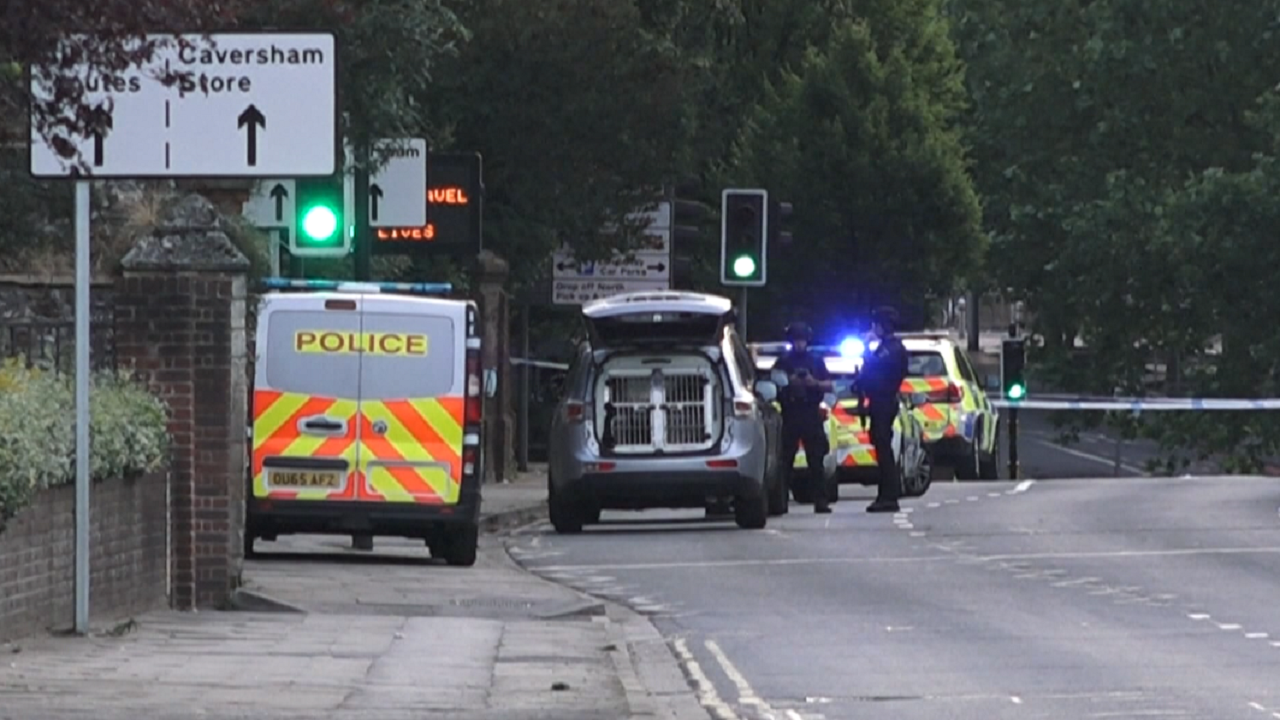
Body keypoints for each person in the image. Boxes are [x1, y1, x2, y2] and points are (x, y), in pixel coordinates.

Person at [772, 321, 835, 513]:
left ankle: (821, 501)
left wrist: (813, 383)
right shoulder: (783, 362)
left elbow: (829, 385)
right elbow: (773, 383)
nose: (799, 344)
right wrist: (788, 383)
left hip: (810, 412)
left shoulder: (816, 361)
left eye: (802, 340)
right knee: (785, 461)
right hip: (791, 413)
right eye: (796, 340)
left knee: (816, 461)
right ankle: (780, 502)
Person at [857, 306, 910, 513]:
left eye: (875, 325)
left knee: (884, 449)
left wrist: (864, 349)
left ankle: (888, 495)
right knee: (881, 447)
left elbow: (877, 369)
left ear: (882, 325)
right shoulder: (887, 347)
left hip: (884, 401)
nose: (873, 328)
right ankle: (886, 494)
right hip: (880, 401)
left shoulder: (892, 349)